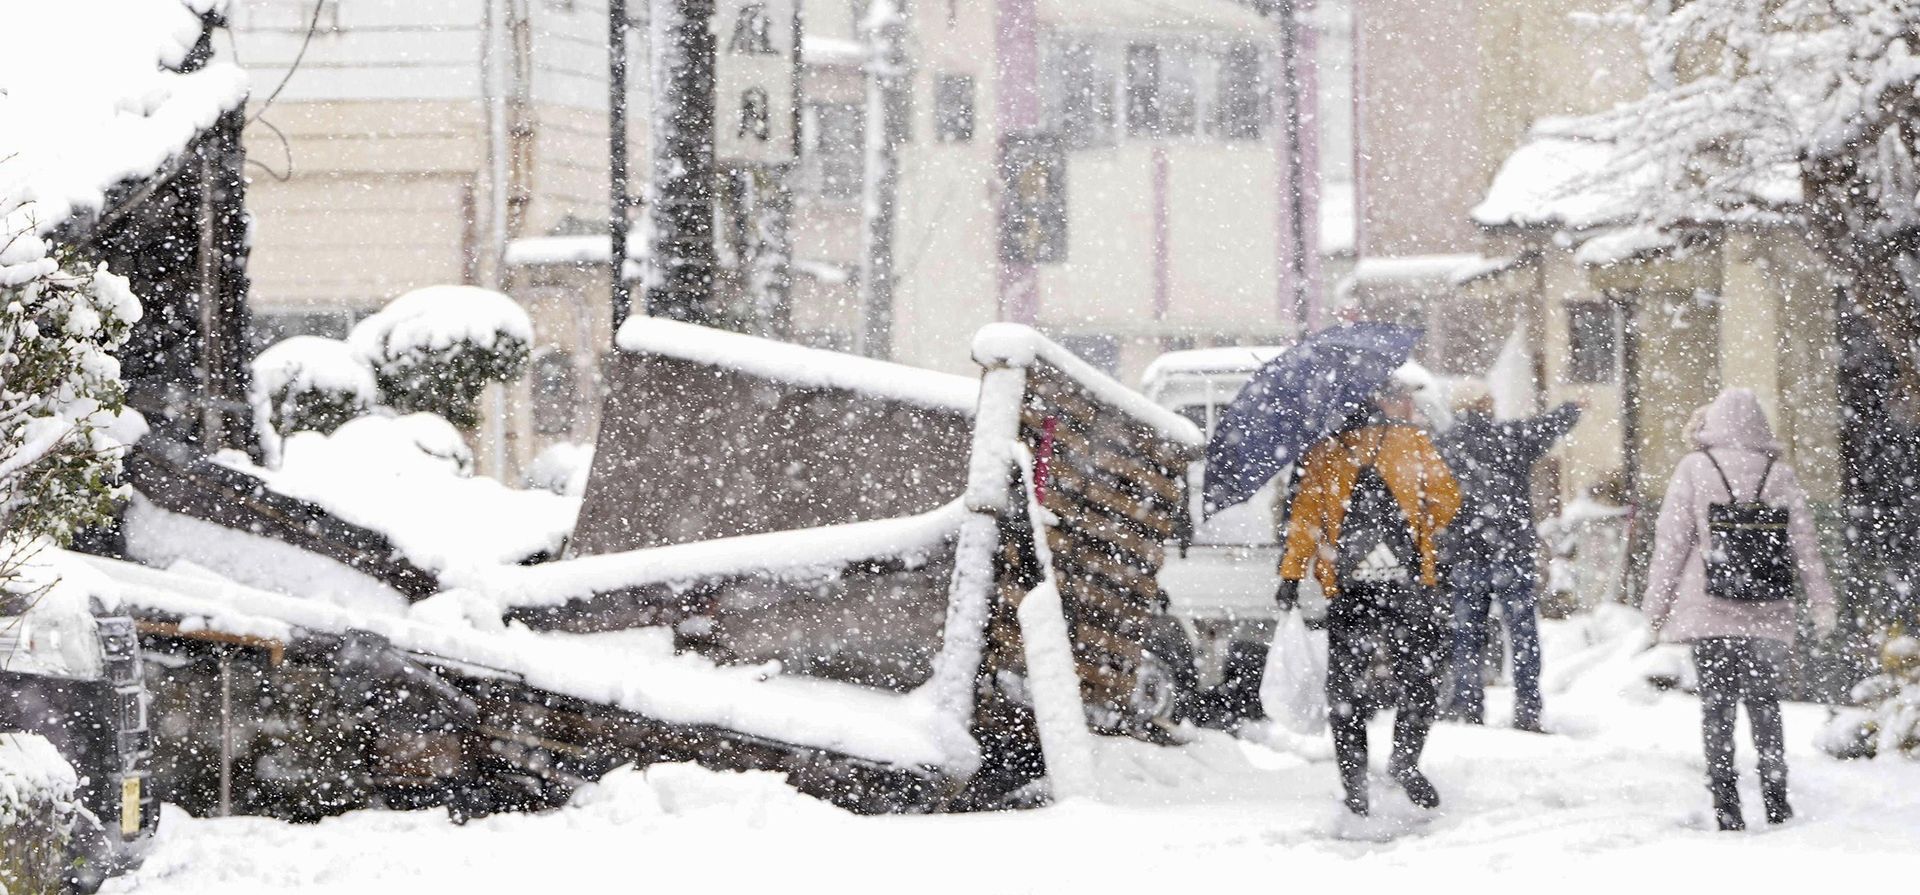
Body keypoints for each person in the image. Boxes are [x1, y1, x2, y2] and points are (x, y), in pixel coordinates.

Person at [1642, 388, 1837, 831]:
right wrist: (1822, 601)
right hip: (1767, 612)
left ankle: (1726, 804)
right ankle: (1776, 797)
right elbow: (1804, 544)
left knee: (1717, 708)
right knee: (1765, 705)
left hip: (1708, 610)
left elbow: (1671, 543)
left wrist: (1655, 609)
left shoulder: (1695, 468)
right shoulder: (1779, 473)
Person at [1275, 383, 1461, 816]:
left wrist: (1291, 575)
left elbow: (1304, 521)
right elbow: (1449, 502)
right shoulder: (1411, 442)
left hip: (1350, 591)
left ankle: (1355, 786)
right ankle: (1404, 760)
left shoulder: (1322, 454)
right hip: (1409, 589)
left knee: (1346, 691)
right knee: (1420, 678)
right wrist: (1416, 521)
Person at [1437, 397, 1583, 731]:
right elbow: (1548, 426)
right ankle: (1528, 708)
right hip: (1511, 550)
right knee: (1522, 633)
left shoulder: (1443, 444)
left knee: (1466, 635)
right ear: (1489, 406)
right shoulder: (1511, 436)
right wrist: (1572, 408)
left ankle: (1469, 706)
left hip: (1465, 551)